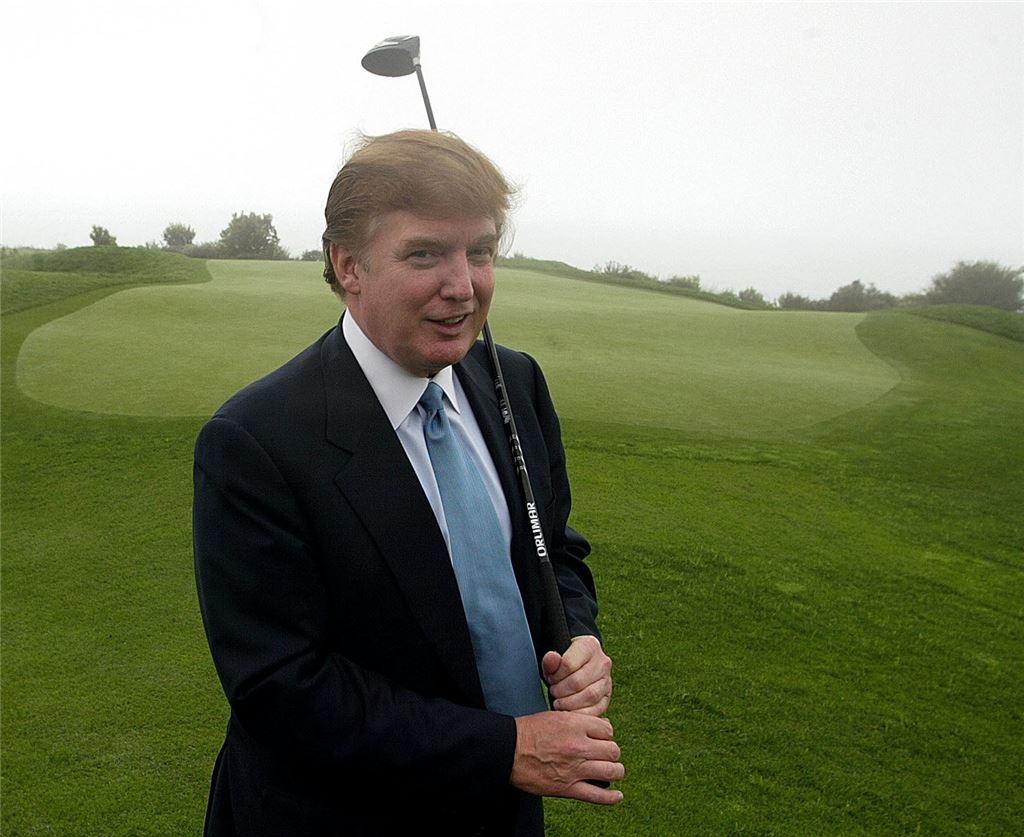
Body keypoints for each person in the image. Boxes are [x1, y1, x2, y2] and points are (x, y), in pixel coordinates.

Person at [193, 129, 623, 836]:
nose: (464, 286)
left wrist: (577, 636)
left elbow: (553, 550)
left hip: (502, 813)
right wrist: (505, 749)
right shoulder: (256, 440)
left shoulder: (514, 382)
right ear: (349, 265)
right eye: (425, 254)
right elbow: (282, 684)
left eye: (480, 251)